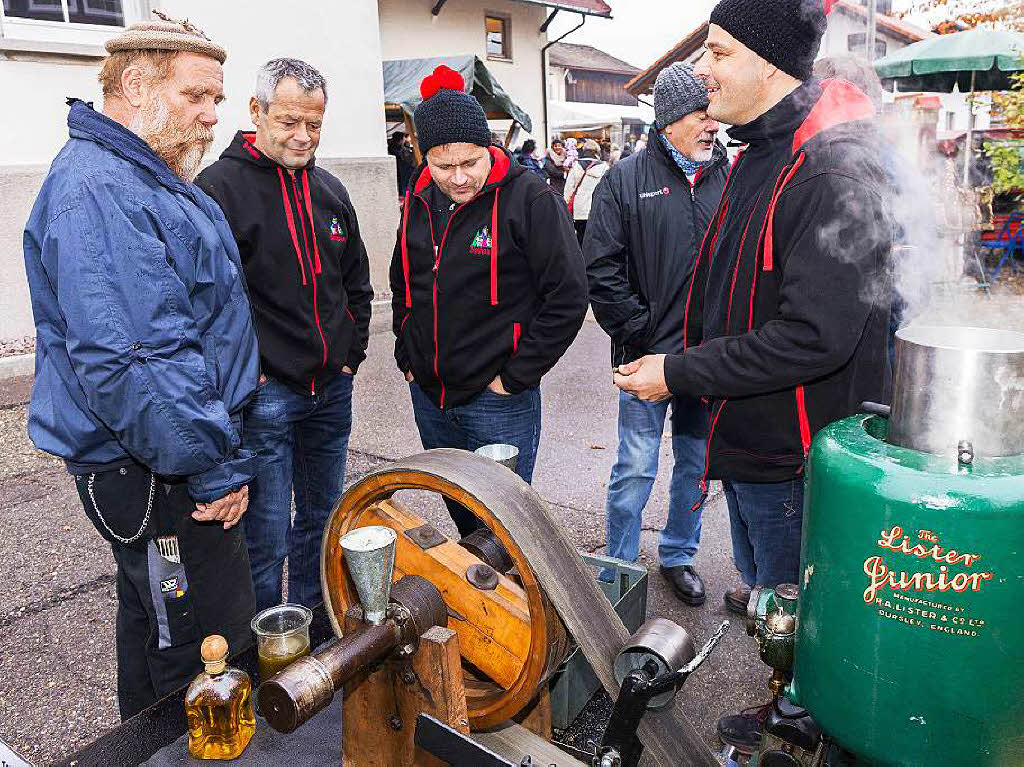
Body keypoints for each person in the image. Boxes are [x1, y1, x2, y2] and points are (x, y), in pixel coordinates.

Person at [613, 0, 892, 753]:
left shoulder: (828, 165)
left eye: (720, 51)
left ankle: (808, 713)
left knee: (801, 607)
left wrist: (678, 371)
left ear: (770, 63)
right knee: (771, 588)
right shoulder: (759, 150)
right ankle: (797, 698)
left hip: (795, 450)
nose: (701, 69)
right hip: (749, 435)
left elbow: (812, 337)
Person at [22, 16, 258, 719]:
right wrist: (213, 467)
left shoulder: (140, 172)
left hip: (166, 457)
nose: (214, 115)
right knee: (196, 644)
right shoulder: (101, 187)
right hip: (162, 470)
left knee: (157, 622)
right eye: (197, 96)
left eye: (216, 98)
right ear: (134, 84)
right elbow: (139, 361)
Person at [196, 59, 373, 613]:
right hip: (266, 396)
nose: (303, 137)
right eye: (290, 122)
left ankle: (319, 636)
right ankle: (269, 652)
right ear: (257, 111)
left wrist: (351, 353)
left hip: (331, 390)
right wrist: (249, 376)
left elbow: (357, 282)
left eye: (315, 125)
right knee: (265, 538)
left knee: (324, 523)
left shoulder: (331, 190)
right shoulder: (216, 190)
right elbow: (207, 305)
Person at [390, 65, 588, 536]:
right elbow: (403, 279)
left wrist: (515, 376)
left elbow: (569, 296)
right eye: (443, 165)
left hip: (497, 399)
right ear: (423, 155)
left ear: (489, 147)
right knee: (460, 507)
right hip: (431, 395)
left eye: (470, 162)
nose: (458, 177)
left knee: (505, 526)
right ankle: (480, 599)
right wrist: (407, 353)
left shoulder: (531, 199)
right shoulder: (418, 195)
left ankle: (512, 602)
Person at [584, 63, 728, 605]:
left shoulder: (728, 176)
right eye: (700, 114)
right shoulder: (624, 180)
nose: (712, 125)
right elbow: (601, 269)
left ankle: (678, 555)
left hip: (705, 361)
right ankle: (619, 566)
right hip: (646, 357)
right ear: (669, 120)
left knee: (694, 466)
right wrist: (642, 333)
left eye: (712, 114)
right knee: (635, 466)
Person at [563, 138, 609, 245]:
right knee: (596, 240)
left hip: (579, 210)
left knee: (580, 237)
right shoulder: (603, 167)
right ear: (596, 152)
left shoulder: (576, 166)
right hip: (597, 209)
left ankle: (582, 260)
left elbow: (568, 189)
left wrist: (566, 206)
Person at [388, 129, 417, 196]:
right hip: (403, 168)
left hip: (400, 168)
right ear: (401, 139)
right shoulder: (397, 148)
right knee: (405, 183)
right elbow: (406, 157)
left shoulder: (392, 146)